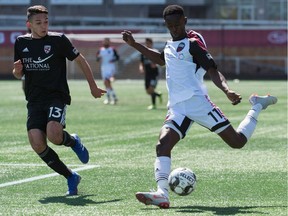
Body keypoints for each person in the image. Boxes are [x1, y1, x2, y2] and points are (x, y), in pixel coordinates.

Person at [122, 4, 277, 209]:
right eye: (170, 26)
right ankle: (162, 193)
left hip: (199, 104)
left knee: (237, 142)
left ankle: (256, 106)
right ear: (166, 25)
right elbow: (160, 60)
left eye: (177, 24)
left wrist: (226, 90)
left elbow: (213, 70)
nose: (174, 29)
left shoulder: (193, 44)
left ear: (184, 21)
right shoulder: (169, 46)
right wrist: (134, 44)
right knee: (162, 144)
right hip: (177, 108)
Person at [12, 5, 106, 196]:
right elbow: (17, 72)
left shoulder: (58, 40)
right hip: (34, 99)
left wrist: (93, 87)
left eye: (46, 21)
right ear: (29, 24)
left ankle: (73, 142)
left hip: (56, 95)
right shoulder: (20, 42)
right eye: (38, 23)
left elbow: (80, 60)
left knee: (54, 134)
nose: (43, 25)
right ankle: (71, 176)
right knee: (37, 143)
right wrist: (17, 72)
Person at [139, 38, 162, 110]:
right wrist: (141, 68)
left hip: (154, 74)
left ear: (151, 44)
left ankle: (153, 105)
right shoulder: (143, 52)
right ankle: (158, 94)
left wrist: (155, 64)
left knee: (151, 89)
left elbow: (160, 61)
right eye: (146, 43)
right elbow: (141, 62)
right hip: (147, 74)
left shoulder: (155, 52)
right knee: (148, 91)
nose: (147, 45)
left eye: (148, 43)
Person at [96, 38, 119, 105]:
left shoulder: (112, 49)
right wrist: (99, 58)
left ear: (109, 42)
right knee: (106, 83)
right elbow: (97, 59)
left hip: (111, 67)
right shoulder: (100, 50)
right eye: (105, 41)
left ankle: (109, 98)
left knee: (107, 82)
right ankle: (113, 97)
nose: (106, 42)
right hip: (103, 68)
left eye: (107, 41)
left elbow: (117, 57)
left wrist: (113, 60)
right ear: (103, 42)